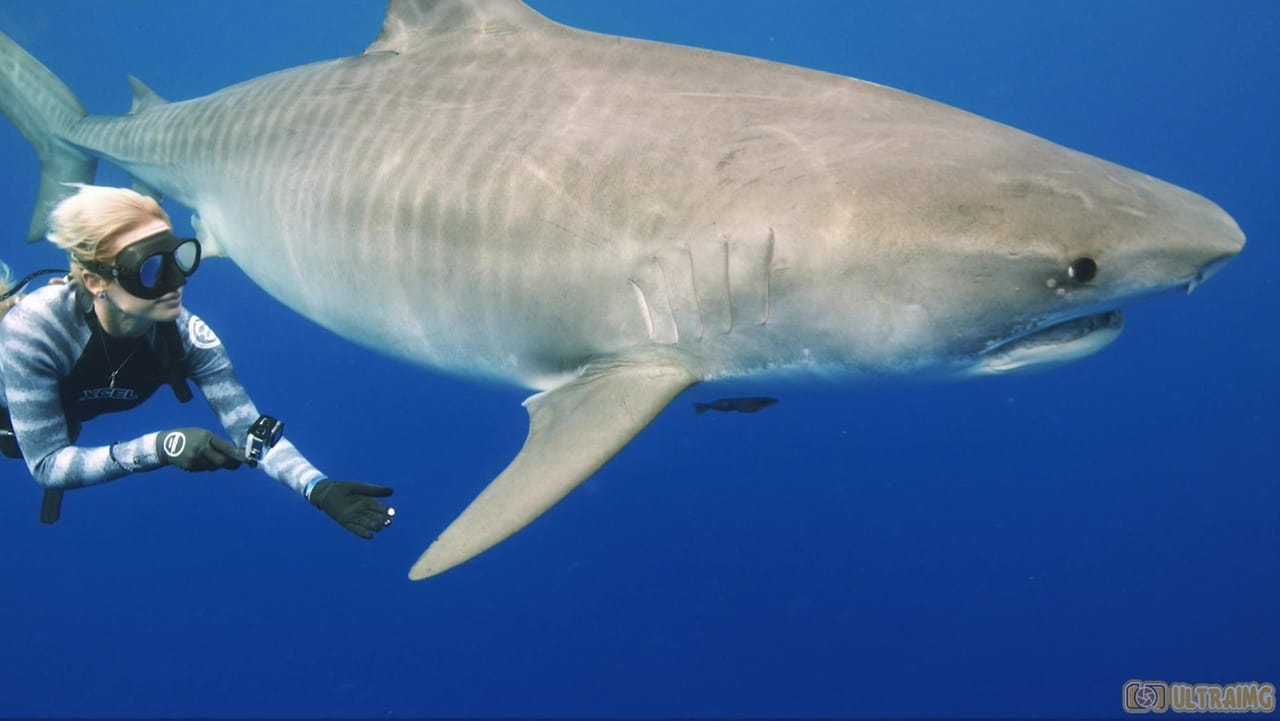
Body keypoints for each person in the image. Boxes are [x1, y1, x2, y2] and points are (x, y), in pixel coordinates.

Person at [0, 184, 394, 538]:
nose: (176, 282)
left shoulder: (185, 336)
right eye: (151, 268)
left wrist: (318, 488)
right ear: (95, 280)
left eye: (179, 258)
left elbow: (249, 430)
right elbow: (48, 464)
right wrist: (160, 447)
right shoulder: (34, 331)